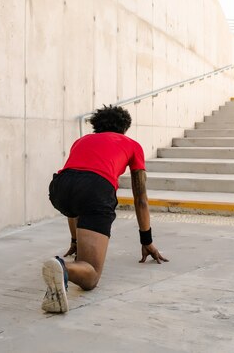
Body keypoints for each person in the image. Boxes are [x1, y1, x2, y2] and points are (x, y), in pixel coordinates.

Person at [42, 105, 168, 313]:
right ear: (125, 128)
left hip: (59, 188)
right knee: (90, 276)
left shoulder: (81, 141)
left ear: (96, 125)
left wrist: (75, 240)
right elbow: (141, 199)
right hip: (95, 189)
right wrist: (146, 240)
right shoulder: (132, 144)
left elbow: (76, 186)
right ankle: (61, 267)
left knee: (78, 198)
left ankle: (71, 252)